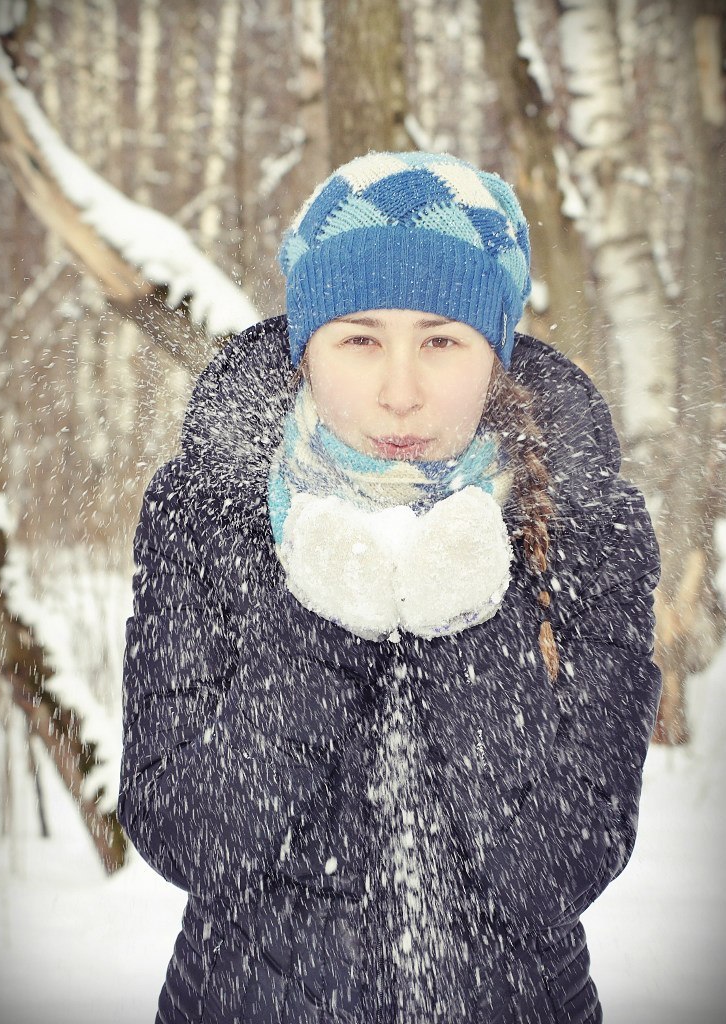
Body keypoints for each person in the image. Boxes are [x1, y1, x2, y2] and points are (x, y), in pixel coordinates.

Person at [118, 151, 662, 1024]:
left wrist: (464, 622)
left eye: (442, 340)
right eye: (360, 339)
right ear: (306, 348)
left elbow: (560, 867)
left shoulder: (583, 522)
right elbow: (187, 837)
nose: (400, 393)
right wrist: (320, 619)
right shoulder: (210, 510)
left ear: (495, 354)